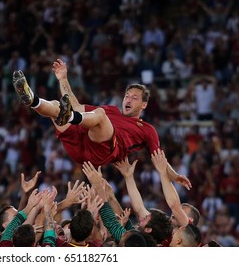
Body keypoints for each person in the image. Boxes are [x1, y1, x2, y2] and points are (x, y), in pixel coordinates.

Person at [13, 59, 191, 189]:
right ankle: (32, 100)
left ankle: (68, 117)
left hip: (102, 150)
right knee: (57, 105)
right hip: (81, 144)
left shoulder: (148, 129)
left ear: (144, 105)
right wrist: (63, 79)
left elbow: (159, 159)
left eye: (134, 98)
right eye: (127, 96)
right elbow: (76, 106)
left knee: (99, 114)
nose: (128, 99)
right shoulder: (114, 110)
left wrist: (175, 176)